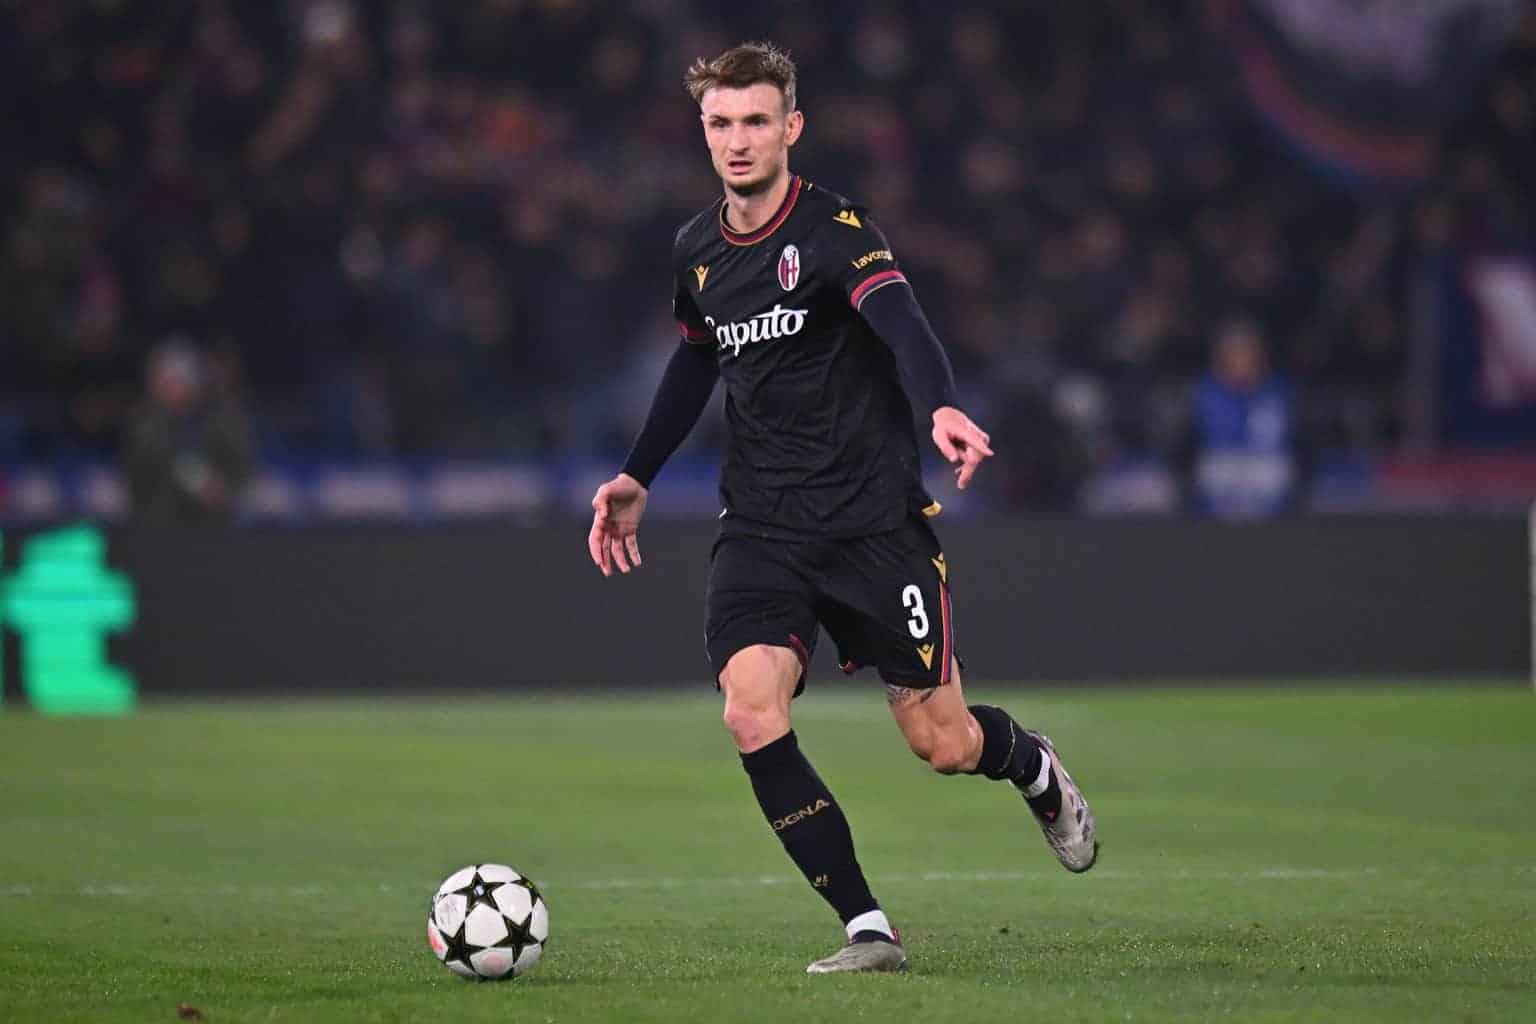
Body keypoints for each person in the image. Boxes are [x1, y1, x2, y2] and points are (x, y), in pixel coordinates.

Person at [586, 42, 1098, 974]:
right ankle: (868, 928)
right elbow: (698, 356)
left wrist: (940, 405)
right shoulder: (697, 248)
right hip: (763, 528)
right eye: (720, 123)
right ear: (704, 132)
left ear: (791, 127)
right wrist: (638, 473)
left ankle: (1029, 763)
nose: (738, 140)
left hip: (872, 526)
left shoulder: (833, 229)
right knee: (750, 710)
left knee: (943, 743)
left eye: (755, 120)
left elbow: (902, 321)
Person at [122, 337, 255, 523]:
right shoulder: (144, 418)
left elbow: (240, 461)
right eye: (160, 381)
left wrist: (223, 485)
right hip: (158, 511)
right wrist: (195, 478)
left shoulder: (220, 415)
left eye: (173, 381)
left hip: (219, 511)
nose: (164, 388)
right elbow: (146, 461)